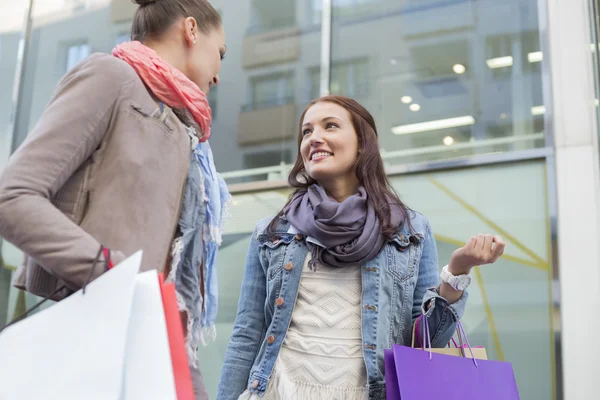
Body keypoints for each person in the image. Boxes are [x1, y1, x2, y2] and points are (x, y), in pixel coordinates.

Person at [0, 0, 229, 398]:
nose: (220, 74)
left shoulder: (184, 128)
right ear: (191, 30)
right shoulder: (110, 77)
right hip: (95, 331)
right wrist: (106, 268)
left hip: (157, 337)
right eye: (221, 54)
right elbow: (13, 195)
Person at [216, 95, 506, 400]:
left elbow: (426, 342)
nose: (315, 138)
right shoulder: (273, 231)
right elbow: (247, 336)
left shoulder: (410, 231)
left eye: (330, 126)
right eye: (307, 131)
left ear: (362, 144)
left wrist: (457, 274)